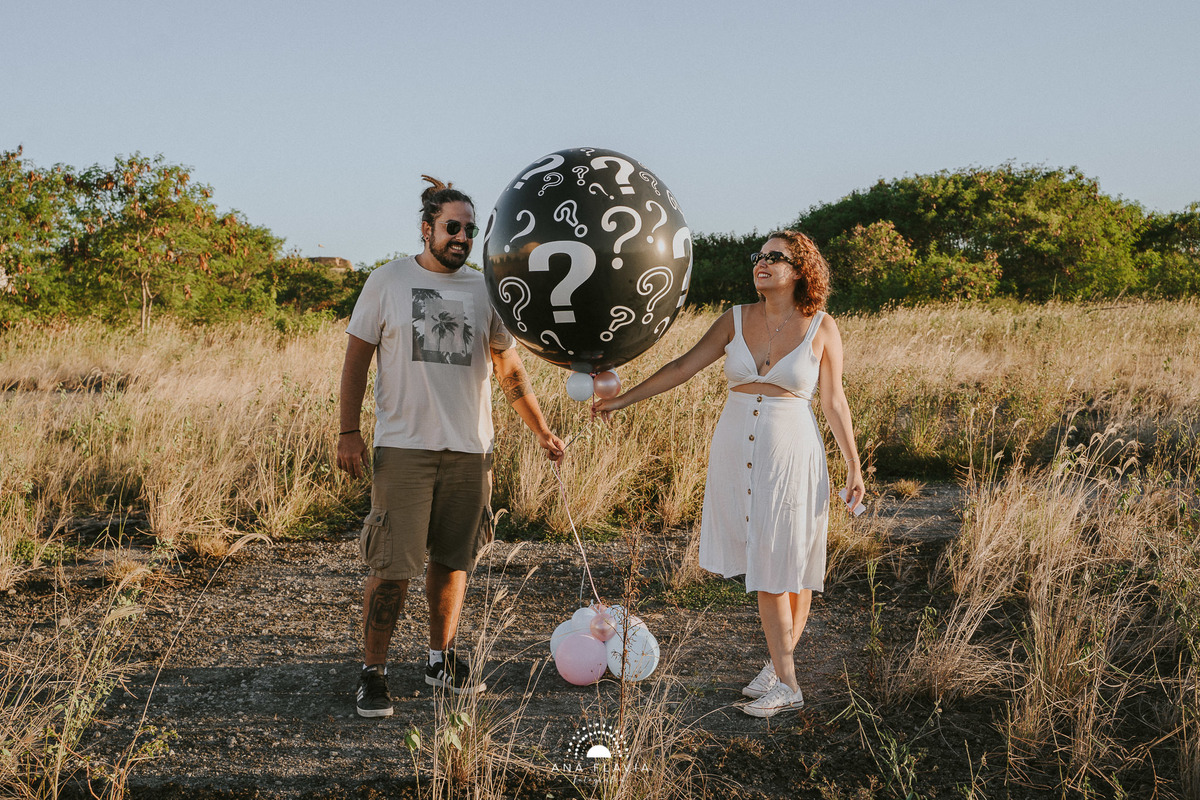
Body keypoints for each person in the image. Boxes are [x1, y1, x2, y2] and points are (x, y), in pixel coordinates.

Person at [592, 230, 865, 718]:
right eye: (758, 256)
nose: (761, 263)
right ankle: (780, 669)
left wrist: (853, 464)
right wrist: (622, 399)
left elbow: (833, 399)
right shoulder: (734, 319)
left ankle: (787, 683)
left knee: (787, 566)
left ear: (801, 269)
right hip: (736, 448)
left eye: (775, 257)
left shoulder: (822, 327)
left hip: (792, 453)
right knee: (775, 566)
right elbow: (682, 367)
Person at [337, 176, 565, 718]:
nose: (461, 237)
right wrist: (348, 433)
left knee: (453, 560)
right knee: (393, 565)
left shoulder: (486, 288)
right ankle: (373, 672)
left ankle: (442, 659)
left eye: (469, 228)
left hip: (471, 450)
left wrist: (539, 429)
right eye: (451, 227)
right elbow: (355, 362)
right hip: (405, 448)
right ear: (427, 229)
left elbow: (509, 368)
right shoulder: (387, 281)